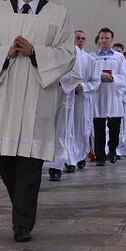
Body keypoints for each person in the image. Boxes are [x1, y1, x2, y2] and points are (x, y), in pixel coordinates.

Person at [0, 0, 75, 243]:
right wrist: (6, 51)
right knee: (5, 161)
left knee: (30, 164)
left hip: (37, 95)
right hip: (5, 95)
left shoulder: (58, 14)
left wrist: (35, 52)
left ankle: (22, 224)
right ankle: (21, 208)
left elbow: (68, 54)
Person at [47, 30, 100, 182]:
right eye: (78, 38)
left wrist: (80, 86)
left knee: (76, 130)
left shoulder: (86, 58)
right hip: (50, 94)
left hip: (72, 96)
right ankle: (64, 160)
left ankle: (73, 158)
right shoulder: (52, 51)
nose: (80, 40)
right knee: (55, 131)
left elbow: (84, 77)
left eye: (83, 38)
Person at [90, 28, 126, 166]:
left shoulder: (119, 57)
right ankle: (100, 156)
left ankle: (112, 149)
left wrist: (112, 78)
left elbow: (124, 76)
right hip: (98, 96)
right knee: (98, 127)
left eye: (107, 38)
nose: (104, 41)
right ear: (98, 39)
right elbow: (88, 75)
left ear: (112, 39)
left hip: (113, 95)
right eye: (101, 38)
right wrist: (99, 76)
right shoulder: (91, 57)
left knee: (114, 127)